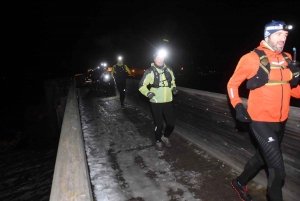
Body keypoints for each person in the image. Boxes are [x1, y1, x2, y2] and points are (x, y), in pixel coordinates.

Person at [227, 20, 300, 201]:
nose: (283, 38)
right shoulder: (251, 58)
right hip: (260, 121)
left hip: (281, 121)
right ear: (268, 35)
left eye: (285, 35)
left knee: (261, 158)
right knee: (278, 171)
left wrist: (296, 77)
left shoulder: (288, 59)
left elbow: (296, 93)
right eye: (279, 34)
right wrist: (237, 105)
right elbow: (232, 84)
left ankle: (239, 182)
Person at [139, 49, 178, 151]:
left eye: (162, 58)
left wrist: (174, 88)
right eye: (158, 58)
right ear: (154, 59)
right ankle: (158, 141)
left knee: (171, 124)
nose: (160, 60)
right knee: (159, 125)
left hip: (168, 101)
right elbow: (141, 86)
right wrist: (148, 93)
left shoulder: (169, 69)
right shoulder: (150, 71)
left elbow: (173, 81)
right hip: (156, 102)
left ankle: (165, 137)